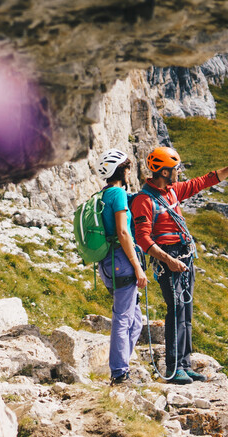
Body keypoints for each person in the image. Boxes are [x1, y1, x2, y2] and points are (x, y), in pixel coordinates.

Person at [131, 145, 228, 383]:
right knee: (176, 309)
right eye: (176, 168)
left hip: (184, 255)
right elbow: (143, 238)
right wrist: (169, 261)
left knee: (185, 310)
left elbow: (204, 181)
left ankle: (185, 364)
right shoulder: (144, 200)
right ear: (165, 172)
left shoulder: (172, 191)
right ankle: (173, 367)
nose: (179, 171)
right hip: (168, 257)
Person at [94, 149, 147, 384]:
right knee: (123, 318)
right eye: (127, 169)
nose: (129, 173)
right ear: (120, 171)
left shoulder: (101, 195)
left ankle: (121, 364)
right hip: (122, 262)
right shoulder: (117, 194)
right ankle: (119, 373)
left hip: (106, 263)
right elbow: (123, 232)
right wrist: (137, 266)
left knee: (136, 321)